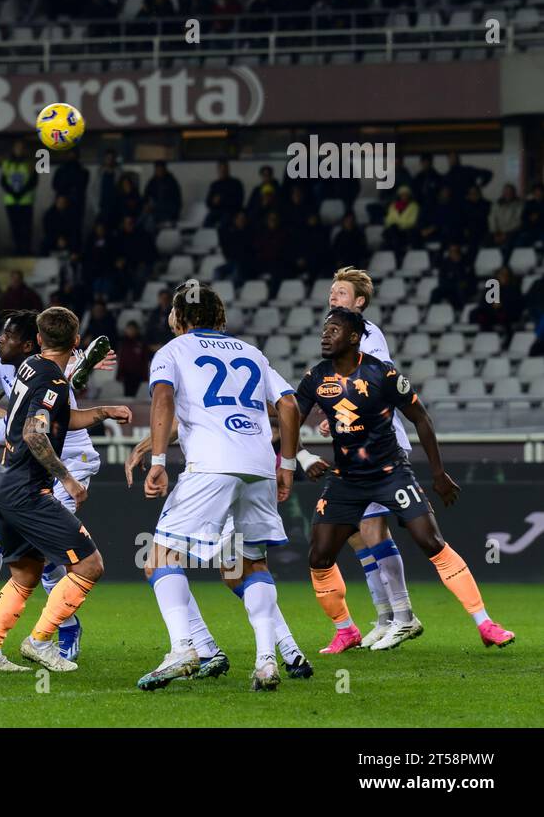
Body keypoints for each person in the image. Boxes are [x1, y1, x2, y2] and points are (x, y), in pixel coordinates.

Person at [295, 308, 515, 653]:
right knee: (320, 556)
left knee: (431, 541)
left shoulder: (382, 373)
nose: (325, 335)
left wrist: (439, 474)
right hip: (347, 479)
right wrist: (303, 456)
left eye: (334, 330)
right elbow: (289, 419)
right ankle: (346, 630)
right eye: (324, 330)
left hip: (390, 472)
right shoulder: (315, 378)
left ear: (353, 338)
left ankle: (485, 623)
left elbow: (421, 419)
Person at [136, 284, 301, 691]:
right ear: (220, 318)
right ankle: (266, 661)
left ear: (178, 317)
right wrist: (289, 464)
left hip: (211, 464)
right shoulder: (252, 353)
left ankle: (183, 648)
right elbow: (290, 406)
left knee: (158, 558)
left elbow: (162, 397)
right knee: (251, 564)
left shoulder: (172, 351)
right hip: (260, 465)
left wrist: (157, 461)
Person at [0, 312, 119, 661]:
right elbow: (34, 433)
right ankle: (42, 640)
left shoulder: (28, 368)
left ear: (38, 340)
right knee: (89, 566)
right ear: (75, 343)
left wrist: (103, 411)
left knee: (25, 574)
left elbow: (58, 418)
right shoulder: (53, 384)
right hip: (29, 491)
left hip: (3, 485)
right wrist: (68, 480)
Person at [297, 268, 420, 650]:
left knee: (371, 532)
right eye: (331, 292)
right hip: (354, 448)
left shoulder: (367, 334)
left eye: (341, 293)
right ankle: (385, 617)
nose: (333, 297)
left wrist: (341, 411)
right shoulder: (340, 337)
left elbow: (373, 385)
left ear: (359, 302)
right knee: (355, 538)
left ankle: (404, 616)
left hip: (380, 445)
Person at [0, 140, 37, 254]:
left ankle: (26, 250)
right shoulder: (7, 163)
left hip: (26, 201)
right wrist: (13, 193)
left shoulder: (30, 163)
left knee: (26, 228)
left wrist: (21, 193)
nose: (19, 150)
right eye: (17, 147)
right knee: (15, 228)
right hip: (11, 201)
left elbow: (33, 181)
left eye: (21, 148)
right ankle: (17, 250)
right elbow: (3, 181)